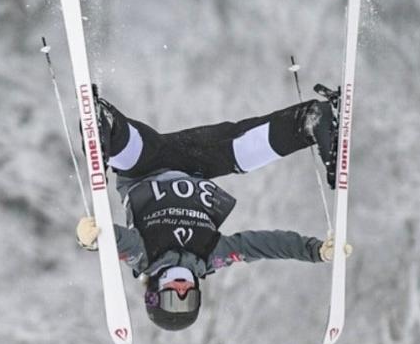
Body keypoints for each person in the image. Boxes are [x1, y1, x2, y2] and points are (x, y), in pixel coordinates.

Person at [76, 87, 352, 331]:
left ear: (154, 293)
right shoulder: (210, 257)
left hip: (145, 165)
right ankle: (311, 121)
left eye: (173, 297)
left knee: (126, 154)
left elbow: (115, 242)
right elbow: (261, 245)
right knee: (243, 151)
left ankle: (106, 126)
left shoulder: (143, 256)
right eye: (189, 299)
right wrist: (315, 251)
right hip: (195, 164)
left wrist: (90, 240)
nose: (182, 290)